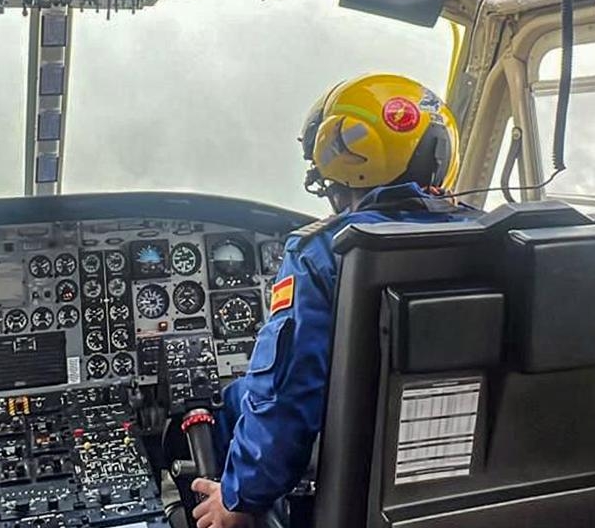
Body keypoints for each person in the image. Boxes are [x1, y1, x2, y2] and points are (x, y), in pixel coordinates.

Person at [191, 74, 480, 528]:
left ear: (342, 154)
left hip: (355, 493)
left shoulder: (325, 252)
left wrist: (237, 498)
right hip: (471, 482)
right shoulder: (503, 237)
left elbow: (284, 397)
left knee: (234, 401)